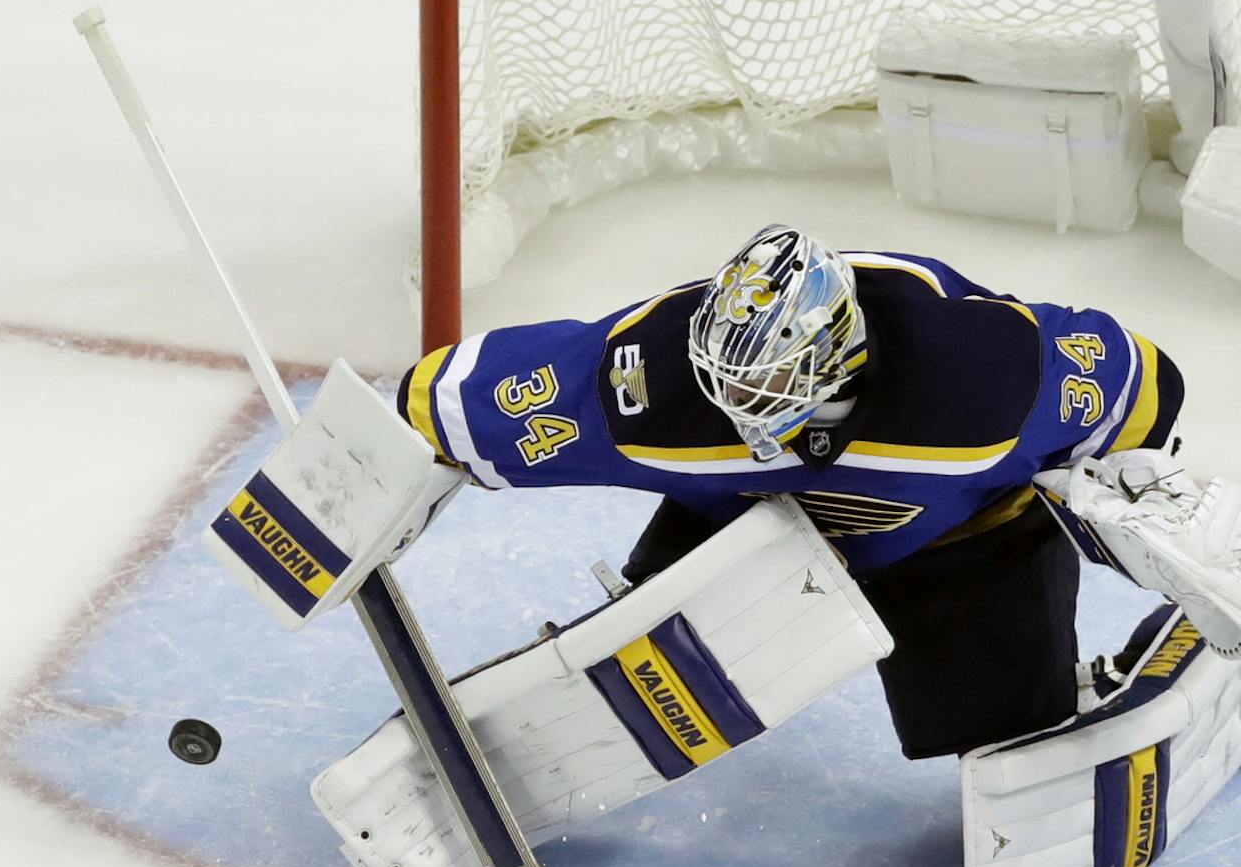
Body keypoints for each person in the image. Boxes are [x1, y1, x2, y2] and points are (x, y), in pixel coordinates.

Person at [397, 223, 1184, 763]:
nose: (743, 405)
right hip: (757, 524)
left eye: (770, 379)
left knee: (995, 726)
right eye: (729, 381)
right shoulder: (649, 380)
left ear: (837, 348)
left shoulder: (988, 377)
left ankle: (1055, 706)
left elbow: (1143, 389)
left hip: (957, 537)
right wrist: (371, 480)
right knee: (653, 658)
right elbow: (464, 403)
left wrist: (1147, 507)